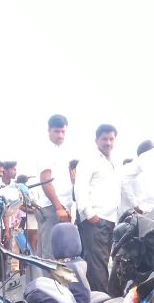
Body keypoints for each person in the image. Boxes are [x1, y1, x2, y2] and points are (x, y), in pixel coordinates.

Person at [75, 124, 120, 291]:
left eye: (111, 139)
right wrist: (88, 213)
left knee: (100, 262)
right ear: (96, 141)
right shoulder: (90, 160)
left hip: (109, 219)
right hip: (95, 219)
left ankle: (93, 299)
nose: (108, 142)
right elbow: (80, 187)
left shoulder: (113, 163)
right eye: (104, 139)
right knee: (97, 265)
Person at [35, 115, 75, 268]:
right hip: (51, 207)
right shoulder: (46, 151)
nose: (60, 135)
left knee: (55, 252)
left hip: (60, 206)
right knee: (50, 255)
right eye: (57, 131)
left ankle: (45, 288)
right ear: (49, 131)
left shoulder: (60, 151)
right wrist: (58, 207)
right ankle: (50, 290)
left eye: (63, 132)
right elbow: (45, 180)